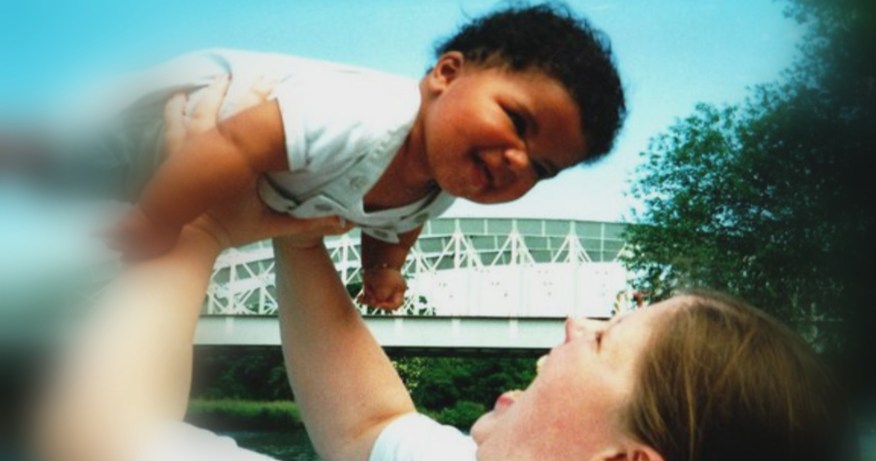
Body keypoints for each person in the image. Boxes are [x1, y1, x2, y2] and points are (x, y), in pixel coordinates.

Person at [32, 76, 855, 461]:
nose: (573, 323)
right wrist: (303, 231)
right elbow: (367, 426)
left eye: (605, 341)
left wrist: (196, 227)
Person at [81, 3, 626, 312]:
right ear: (447, 74)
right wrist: (157, 220)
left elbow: (397, 223)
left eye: (543, 168)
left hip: (204, 176)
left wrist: (384, 268)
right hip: (181, 121)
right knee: (68, 156)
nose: (518, 162)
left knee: (77, 193)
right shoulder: (362, 114)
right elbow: (235, 145)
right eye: (517, 122)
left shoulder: (440, 192)